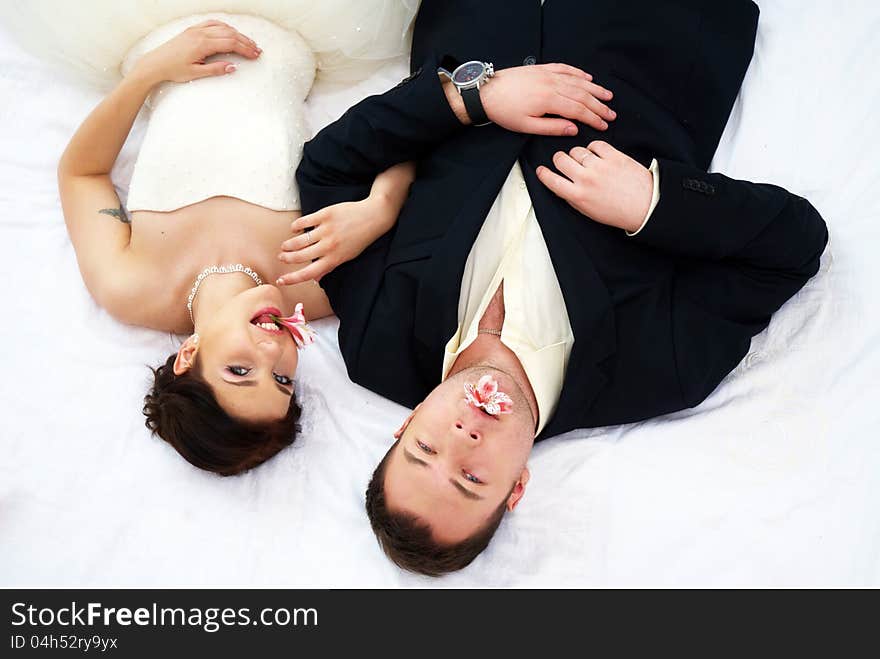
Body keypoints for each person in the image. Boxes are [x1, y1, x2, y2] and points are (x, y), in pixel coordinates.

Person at [290, 0, 830, 575]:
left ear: (404, 426)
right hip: (660, 28)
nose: (462, 436)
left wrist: (473, 98)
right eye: (473, 478)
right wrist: (652, 202)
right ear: (517, 487)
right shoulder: (656, 372)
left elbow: (328, 168)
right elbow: (791, 247)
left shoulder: (376, 343)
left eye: (425, 450)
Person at [0, 3, 419, 475]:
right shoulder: (322, 281)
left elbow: (82, 173)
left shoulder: (130, 286)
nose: (271, 352)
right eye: (281, 379)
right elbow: (399, 138)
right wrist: (381, 208)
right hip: (301, 19)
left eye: (239, 371)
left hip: (156, 23)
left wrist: (148, 73)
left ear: (189, 354)